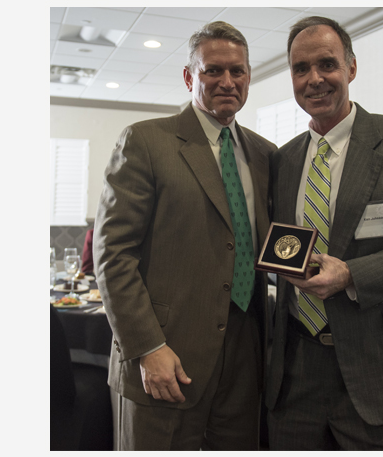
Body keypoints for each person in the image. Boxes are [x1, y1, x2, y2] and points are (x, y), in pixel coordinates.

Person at [265, 16, 383, 450]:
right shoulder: (283, 160)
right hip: (296, 370)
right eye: (300, 69)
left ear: (351, 68)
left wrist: (351, 274)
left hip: (381, 368)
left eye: (327, 64)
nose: (314, 79)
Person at [93, 21, 276, 451]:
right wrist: (147, 346)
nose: (227, 82)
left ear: (249, 76)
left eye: (238, 71)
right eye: (213, 70)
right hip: (166, 354)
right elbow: (112, 255)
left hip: (246, 354)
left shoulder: (267, 155)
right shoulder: (145, 141)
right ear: (190, 76)